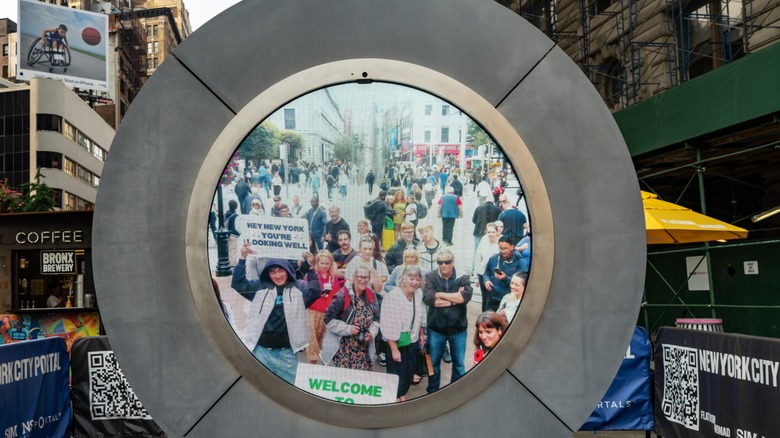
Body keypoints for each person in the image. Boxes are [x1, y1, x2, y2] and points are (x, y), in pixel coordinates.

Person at [231, 245, 321, 384]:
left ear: (288, 271)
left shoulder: (298, 289)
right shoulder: (260, 288)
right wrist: (242, 258)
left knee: (289, 394)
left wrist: (311, 268)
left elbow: (315, 291)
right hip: (261, 352)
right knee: (259, 390)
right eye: (273, 272)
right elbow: (238, 283)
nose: (277, 276)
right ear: (268, 273)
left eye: (281, 271)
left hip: (288, 355)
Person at [423, 249, 472, 394]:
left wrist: (440, 294)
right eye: (440, 262)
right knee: (433, 363)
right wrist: (454, 299)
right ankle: (433, 391)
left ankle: (454, 393)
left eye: (447, 262)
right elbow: (429, 299)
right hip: (436, 329)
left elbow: (465, 297)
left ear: (453, 262)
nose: (443, 265)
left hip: (458, 329)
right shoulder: (430, 276)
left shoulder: (462, 276)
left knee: (459, 365)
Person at [321, 265, 380, 369]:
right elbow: (328, 319)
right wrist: (348, 329)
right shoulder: (342, 295)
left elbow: (377, 318)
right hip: (344, 350)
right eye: (360, 277)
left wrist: (371, 333)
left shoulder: (371, 295)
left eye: (366, 277)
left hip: (364, 351)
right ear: (354, 277)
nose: (363, 280)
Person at [381, 266, 426, 401]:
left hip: (412, 340)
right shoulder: (393, 296)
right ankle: (395, 398)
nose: (414, 282)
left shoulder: (418, 294)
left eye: (417, 279)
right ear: (403, 279)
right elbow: (387, 324)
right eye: (411, 278)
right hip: (396, 341)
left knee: (408, 372)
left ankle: (402, 394)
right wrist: (394, 349)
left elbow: (420, 314)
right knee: (396, 373)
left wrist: (421, 334)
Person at [303, 251, 342, 364]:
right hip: (312, 310)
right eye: (322, 263)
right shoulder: (313, 275)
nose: (324, 266)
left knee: (320, 338)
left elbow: (336, 293)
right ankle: (312, 362)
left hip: (325, 311)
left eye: (327, 263)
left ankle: (317, 362)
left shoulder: (333, 277)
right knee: (312, 338)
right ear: (317, 263)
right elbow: (307, 291)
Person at [483, 236, 527, 311]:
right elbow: (486, 272)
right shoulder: (493, 258)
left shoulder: (520, 262)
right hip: (493, 297)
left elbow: (522, 281)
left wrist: (505, 278)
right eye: (501, 248)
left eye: (505, 248)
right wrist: (486, 280)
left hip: (509, 299)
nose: (503, 251)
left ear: (512, 247)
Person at [475, 222, 501, 312]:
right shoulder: (484, 239)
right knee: (485, 299)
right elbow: (478, 258)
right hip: (483, 273)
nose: (490, 234)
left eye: (492, 232)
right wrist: (476, 277)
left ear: (497, 232)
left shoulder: (500, 242)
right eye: (488, 232)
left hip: (494, 275)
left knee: (492, 300)